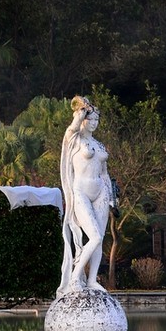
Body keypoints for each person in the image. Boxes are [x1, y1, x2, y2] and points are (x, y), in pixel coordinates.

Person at [58, 95, 115, 296]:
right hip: (80, 191)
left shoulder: (99, 145)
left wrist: (112, 198)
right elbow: (72, 128)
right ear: (83, 119)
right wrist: (81, 110)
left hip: (101, 192)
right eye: (91, 120)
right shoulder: (74, 139)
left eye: (97, 120)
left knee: (99, 238)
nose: (94, 123)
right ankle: (74, 278)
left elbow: (104, 173)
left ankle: (92, 280)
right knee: (95, 236)